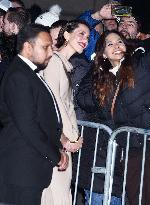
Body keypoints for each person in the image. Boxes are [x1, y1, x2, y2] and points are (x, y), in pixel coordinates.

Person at [77, 30, 150, 205]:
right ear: (103, 54)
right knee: (135, 198)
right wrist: (95, 67)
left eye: (120, 42)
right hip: (129, 149)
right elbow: (82, 98)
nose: (117, 46)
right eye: (110, 44)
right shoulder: (103, 81)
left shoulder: (141, 64)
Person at [0, 23, 68, 205]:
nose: (50, 52)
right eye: (45, 47)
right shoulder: (19, 76)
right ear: (28, 47)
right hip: (21, 168)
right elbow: (28, 125)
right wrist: (56, 155)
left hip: (27, 167)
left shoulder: (26, 73)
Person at [41, 19, 90, 205]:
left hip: (63, 144)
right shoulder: (54, 62)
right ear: (67, 35)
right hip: (58, 144)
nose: (85, 39)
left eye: (88, 36)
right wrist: (65, 139)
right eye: (81, 34)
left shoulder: (63, 64)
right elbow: (51, 105)